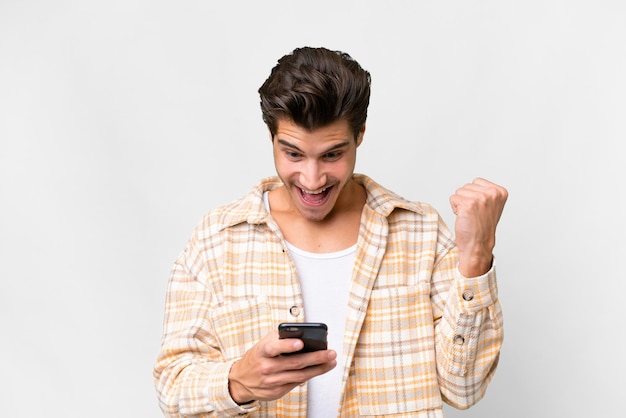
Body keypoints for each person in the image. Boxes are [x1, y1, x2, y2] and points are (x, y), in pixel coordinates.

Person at [153, 46, 508, 418]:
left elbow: (463, 389)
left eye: (332, 155)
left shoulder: (420, 233)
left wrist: (476, 256)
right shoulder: (218, 239)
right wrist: (238, 382)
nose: (312, 180)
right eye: (293, 154)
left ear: (360, 135)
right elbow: (172, 389)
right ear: (271, 138)